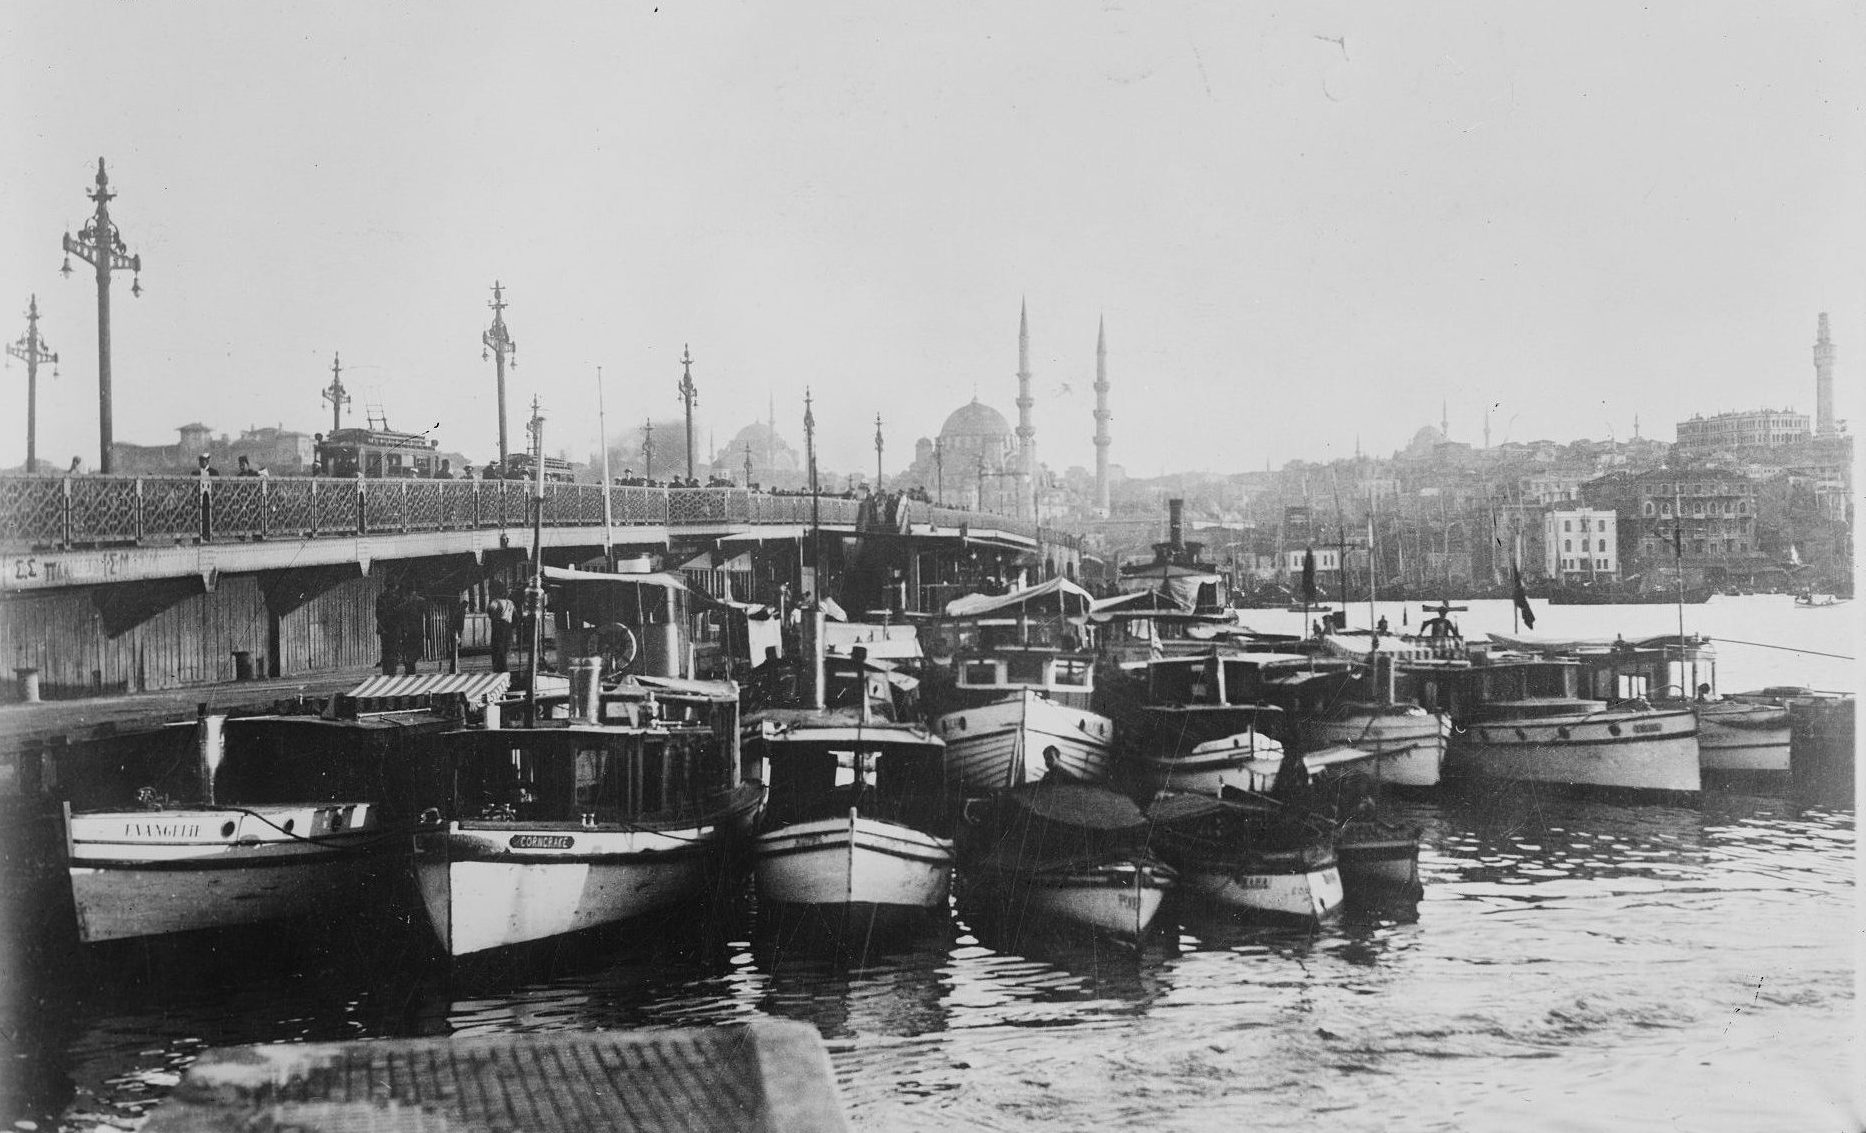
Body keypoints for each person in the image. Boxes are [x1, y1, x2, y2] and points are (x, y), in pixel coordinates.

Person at [375, 579, 405, 676]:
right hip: (393, 629)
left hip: (384, 629)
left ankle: (386, 674)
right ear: (395, 586)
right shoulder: (397, 598)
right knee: (393, 653)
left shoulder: (381, 597)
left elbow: (378, 614)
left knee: (386, 652)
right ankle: (392, 674)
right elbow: (399, 614)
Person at [487, 582, 516, 673]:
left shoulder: (495, 602)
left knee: (496, 649)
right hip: (508, 628)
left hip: (498, 627)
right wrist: (510, 626)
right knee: (504, 650)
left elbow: (489, 611)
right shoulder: (511, 603)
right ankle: (504, 670)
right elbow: (516, 618)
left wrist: (494, 618)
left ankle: (498, 671)